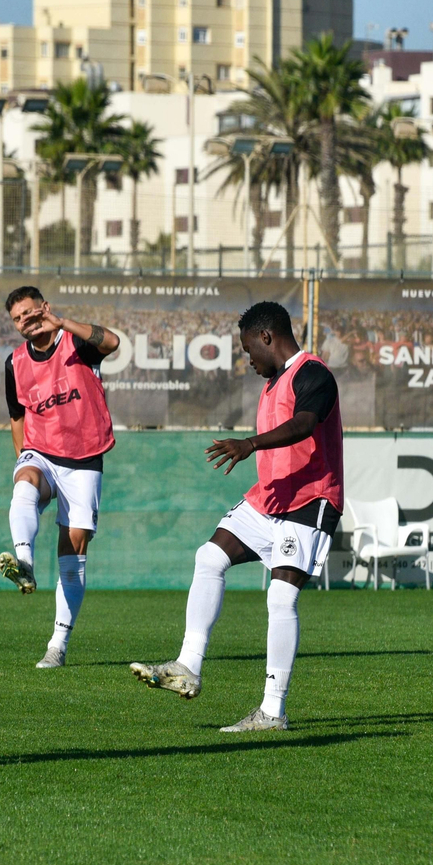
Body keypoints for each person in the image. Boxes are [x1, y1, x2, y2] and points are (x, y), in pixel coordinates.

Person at [129, 301, 341, 733]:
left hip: (309, 502)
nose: (248, 359)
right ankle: (188, 664)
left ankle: (272, 712)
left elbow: (304, 425)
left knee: (280, 599)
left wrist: (249, 443)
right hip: (267, 499)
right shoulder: (273, 382)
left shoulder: (312, 373)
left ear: (267, 337)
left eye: (248, 349)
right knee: (209, 557)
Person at [0, 287, 120, 668]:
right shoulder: (14, 362)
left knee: (73, 552)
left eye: (30, 313)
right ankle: (24, 563)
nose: (25, 322)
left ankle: (58, 645)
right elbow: (17, 417)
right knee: (26, 483)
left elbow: (113, 341)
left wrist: (63, 322)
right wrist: (22, 460)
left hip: (84, 459)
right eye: (18, 318)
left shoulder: (77, 344)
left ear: (45, 309)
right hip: (42, 452)